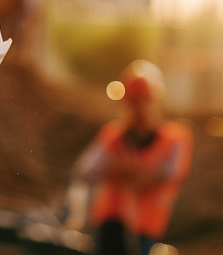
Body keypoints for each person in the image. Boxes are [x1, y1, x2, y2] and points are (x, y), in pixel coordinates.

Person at [70, 61, 191, 255]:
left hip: (148, 230)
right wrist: (122, 172)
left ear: (156, 101)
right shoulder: (113, 135)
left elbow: (170, 174)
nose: (138, 107)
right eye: (134, 101)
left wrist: (129, 174)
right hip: (109, 226)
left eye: (143, 100)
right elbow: (85, 169)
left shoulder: (175, 139)